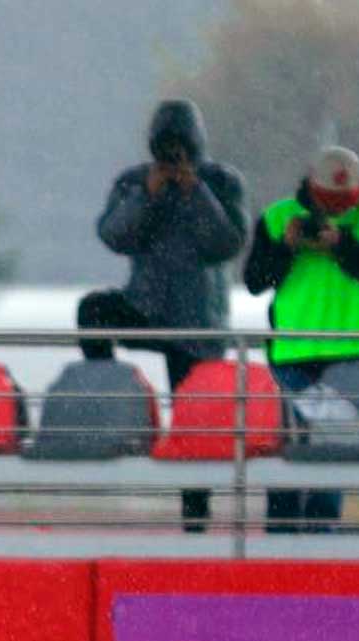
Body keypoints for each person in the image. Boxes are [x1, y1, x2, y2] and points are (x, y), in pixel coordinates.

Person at [79, 99, 247, 528]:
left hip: (197, 320)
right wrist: (146, 196)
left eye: (180, 149)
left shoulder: (221, 182)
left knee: (194, 415)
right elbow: (113, 235)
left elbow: (227, 243)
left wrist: (196, 192)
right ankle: (110, 402)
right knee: (92, 311)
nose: (174, 159)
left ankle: (196, 510)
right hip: (145, 305)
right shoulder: (134, 182)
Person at [243, 145, 359, 531]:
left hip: (352, 357)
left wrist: (342, 246)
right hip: (292, 359)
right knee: (287, 453)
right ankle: (282, 538)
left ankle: (321, 537)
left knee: (334, 455)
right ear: (312, 188)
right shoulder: (278, 217)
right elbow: (254, 280)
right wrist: (285, 248)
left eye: (344, 203)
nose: (336, 211)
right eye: (329, 203)